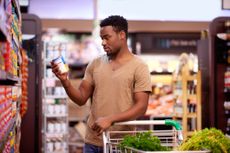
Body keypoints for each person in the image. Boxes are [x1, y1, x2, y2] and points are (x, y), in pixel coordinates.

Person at [51, 15, 152, 153]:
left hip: (121, 143)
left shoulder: (139, 66)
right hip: (92, 142)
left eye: (107, 37)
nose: (103, 42)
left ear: (122, 35)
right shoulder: (95, 64)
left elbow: (141, 107)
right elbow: (81, 98)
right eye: (101, 38)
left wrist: (111, 119)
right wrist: (65, 81)